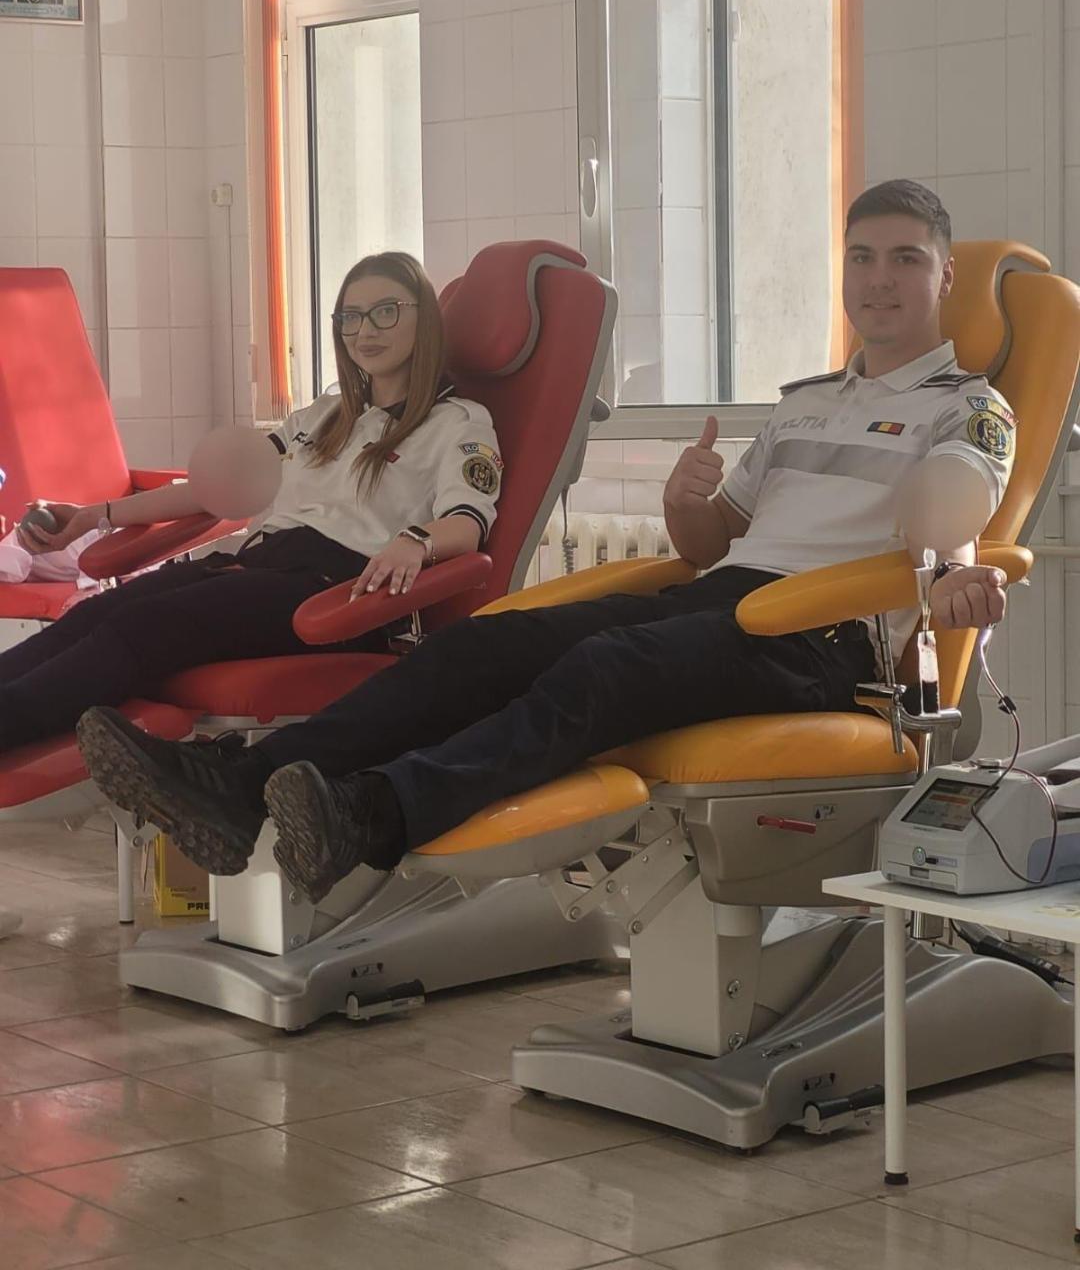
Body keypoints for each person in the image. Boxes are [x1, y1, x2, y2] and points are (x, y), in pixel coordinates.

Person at [80, 180, 1015, 904]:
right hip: (728, 599)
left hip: (827, 641)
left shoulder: (971, 410)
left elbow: (954, 518)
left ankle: (376, 811)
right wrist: (684, 497)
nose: (879, 279)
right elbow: (706, 543)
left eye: (905, 259)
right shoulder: (804, 404)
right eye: (862, 258)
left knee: (607, 667)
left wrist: (950, 579)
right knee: (488, 644)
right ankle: (242, 784)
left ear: (944, 278)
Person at [0, 251, 501, 778]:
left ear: (424, 318)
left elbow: (467, 523)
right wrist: (93, 515)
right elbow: (215, 489)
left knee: (141, 626)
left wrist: (417, 540)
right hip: (257, 568)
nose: (365, 330)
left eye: (386, 311)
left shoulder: (457, 423)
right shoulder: (324, 415)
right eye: (350, 316)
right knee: (95, 614)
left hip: (337, 591)